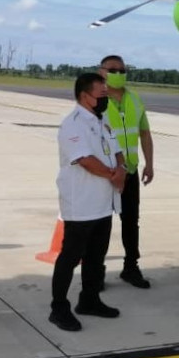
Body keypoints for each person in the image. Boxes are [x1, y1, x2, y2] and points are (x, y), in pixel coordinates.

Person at [50, 73, 126, 331]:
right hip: (81, 204)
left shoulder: (102, 120)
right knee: (70, 256)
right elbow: (84, 159)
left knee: (96, 256)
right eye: (102, 95)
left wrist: (122, 170)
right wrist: (112, 174)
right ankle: (58, 308)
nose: (106, 100)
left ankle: (90, 300)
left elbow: (117, 150)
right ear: (85, 96)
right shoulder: (72, 124)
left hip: (104, 202)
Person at [99, 55, 154, 289]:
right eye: (113, 70)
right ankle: (96, 271)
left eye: (122, 70)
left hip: (130, 173)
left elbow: (144, 133)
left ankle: (131, 267)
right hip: (104, 175)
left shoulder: (134, 99)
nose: (119, 74)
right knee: (100, 225)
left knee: (131, 223)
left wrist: (149, 164)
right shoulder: (97, 100)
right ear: (101, 71)